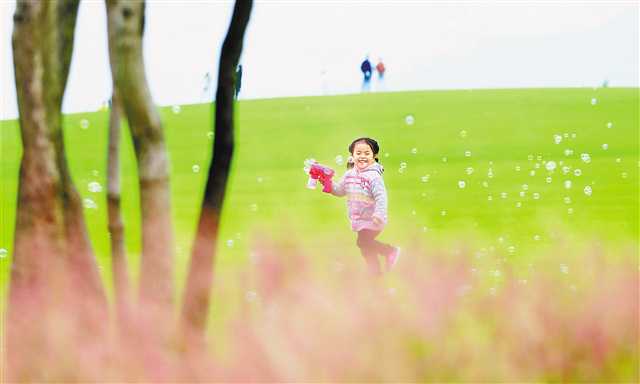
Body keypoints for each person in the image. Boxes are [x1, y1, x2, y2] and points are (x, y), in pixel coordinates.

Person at [322, 137, 400, 275]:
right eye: (358, 153)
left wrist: (379, 214)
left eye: (366, 153)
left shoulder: (373, 177)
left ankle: (390, 251)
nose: (362, 156)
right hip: (359, 219)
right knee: (366, 249)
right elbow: (340, 191)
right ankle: (375, 274)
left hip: (373, 219)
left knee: (363, 242)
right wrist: (327, 182)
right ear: (352, 156)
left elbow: (381, 197)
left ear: (374, 156)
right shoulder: (349, 175)